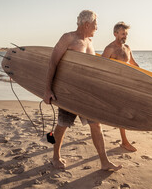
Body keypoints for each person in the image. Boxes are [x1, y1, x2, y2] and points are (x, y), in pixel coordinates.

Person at [43, 10, 122, 171]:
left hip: (86, 93)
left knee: (96, 125)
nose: (97, 28)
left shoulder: (90, 42)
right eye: (95, 25)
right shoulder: (68, 38)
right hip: (68, 92)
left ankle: (104, 162)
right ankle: (55, 157)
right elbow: (53, 62)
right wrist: (47, 89)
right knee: (62, 125)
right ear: (87, 24)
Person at [101, 21, 139, 152]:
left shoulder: (127, 48)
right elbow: (101, 67)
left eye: (126, 34)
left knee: (119, 111)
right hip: (114, 86)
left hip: (126, 85)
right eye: (123, 34)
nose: (125, 36)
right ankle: (124, 142)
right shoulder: (109, 49)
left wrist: (145, 79)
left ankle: (96, 126)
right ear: (115, 34)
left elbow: (134, 64)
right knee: (122, 112)